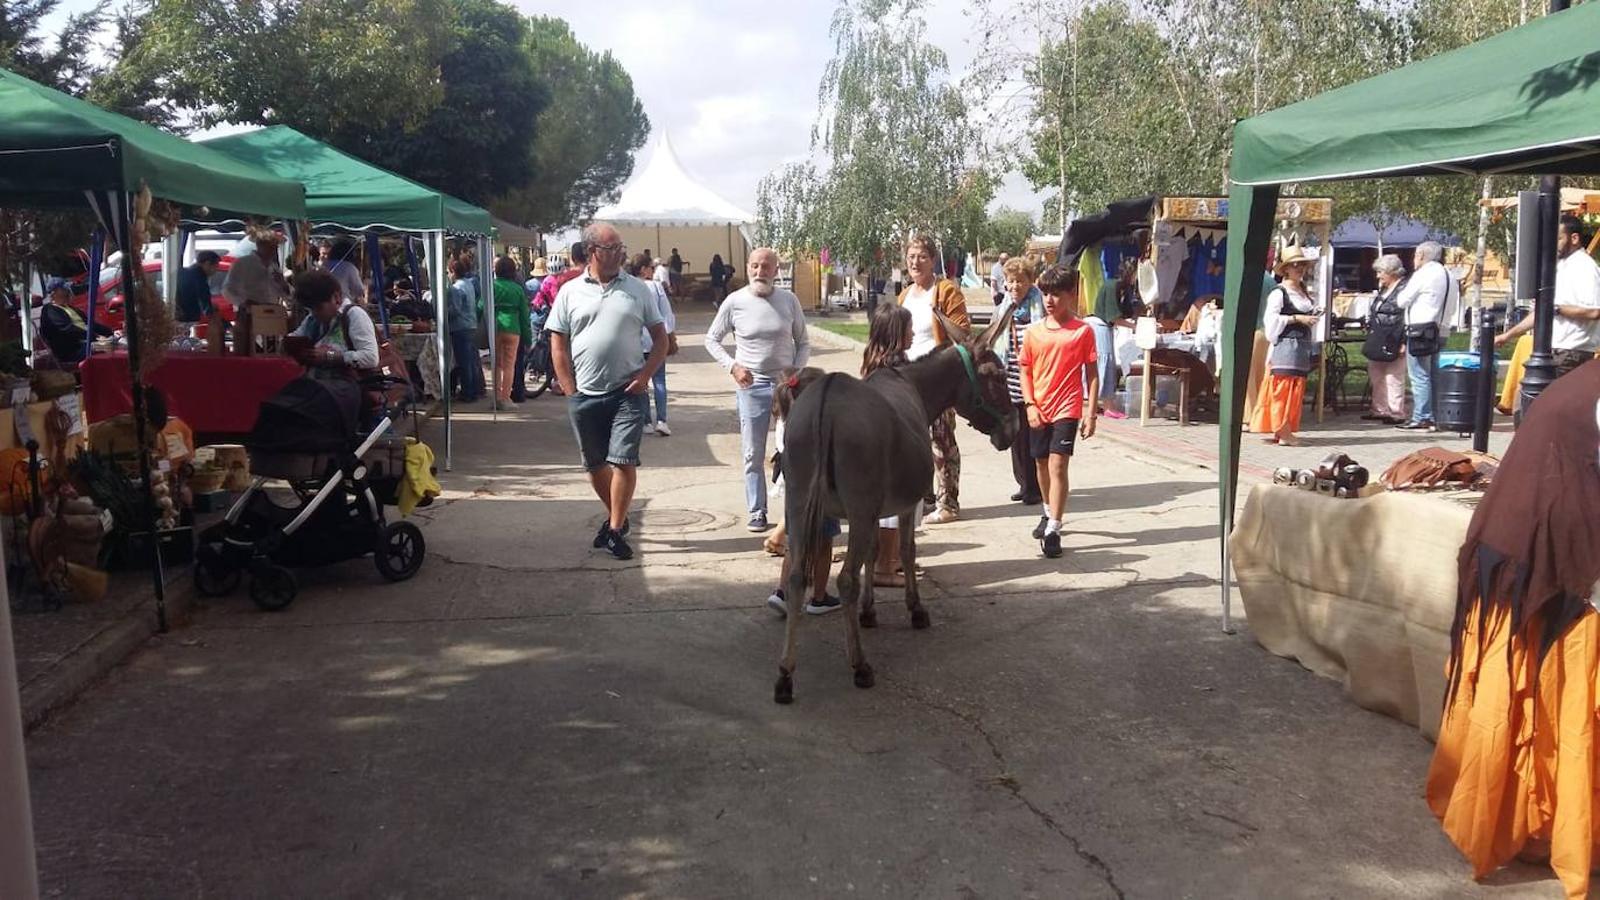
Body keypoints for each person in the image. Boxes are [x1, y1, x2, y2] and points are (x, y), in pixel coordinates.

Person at [1425, 360, 1600, 898]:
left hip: (1529, 553)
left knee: (1535, 705)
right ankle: (1548, 826)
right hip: (1546, 564)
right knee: (1551, 708)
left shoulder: (1586, 378)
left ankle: (1540, 823)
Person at [547, 223, 668, 561]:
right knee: (595, 464)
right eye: (611, 248)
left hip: (628, 391)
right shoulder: (570, 291)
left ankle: (614, 529)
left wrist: (645, 376)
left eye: (621, 248)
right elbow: (557, 340)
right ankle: (620, 515)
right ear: (591, 252)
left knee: (623, 460)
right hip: (584, 394)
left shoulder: (638, 289)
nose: (619, 254)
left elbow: (661, 339)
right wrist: (569, 388)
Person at [704, 246, 811, 532]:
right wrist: (733, 367)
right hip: (752, 387)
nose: (760, 272)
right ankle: (757, 511)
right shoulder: (734, 302)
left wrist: (795, 374)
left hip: (787, 388)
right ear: (747, 268)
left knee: (794, 449)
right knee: (752, 452)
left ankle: (794, 511)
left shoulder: (789, 301)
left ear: (776, 270)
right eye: (755, 266)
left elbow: (803, 342)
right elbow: (712, 340)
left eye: (766, 267)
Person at [1019, 266, 1098, 560]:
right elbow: (1025, 370)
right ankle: (1047, 510)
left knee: (1058, 466)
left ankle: (1054, 528)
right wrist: (1030, 405)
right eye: (1045, 293)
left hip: (1068, 408)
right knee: (1041, 465)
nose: (1049, 299)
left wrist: (1091, 412)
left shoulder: (1082, 332)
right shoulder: (1033, 332)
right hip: (1039, 408)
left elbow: (1091, 373)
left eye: (1056, 293)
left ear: (1071, 294)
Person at [898, 235, 970, 525]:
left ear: (932, 260)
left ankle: (948, 502)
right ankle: (925, 499)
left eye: (922, 257)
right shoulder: (904, 295)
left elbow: (962, 334)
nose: (915, 262)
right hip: (908, 378)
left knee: (942, 440)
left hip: (937, 380)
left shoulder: (946, 291)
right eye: (911, 257)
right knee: (914, 443)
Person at [765, 367, 842, 616]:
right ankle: (819, 597)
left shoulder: (786, 419)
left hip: (795, 492)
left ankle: (782, 592)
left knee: (795, 543)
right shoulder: (814, 424)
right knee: (823, 544)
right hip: (820, 492)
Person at [1495, 213, 1600, 380]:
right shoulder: (1563, 266)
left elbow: (1594, 312)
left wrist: (1557, 309)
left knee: (1538, 403)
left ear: (1574, 238)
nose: (1553, 245)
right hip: (1553, 350)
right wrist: (1507, 336)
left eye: (1558, 239)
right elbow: (1542, 312)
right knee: (1529, 400)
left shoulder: (1585, 267)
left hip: (1570, 353)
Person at [860, 303, 917, 587]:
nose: (914, 333)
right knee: (896, 510)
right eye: (909, 329)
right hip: (897, 447)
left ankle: (891, 560)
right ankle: (885, 566)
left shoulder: (873, 360)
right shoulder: (897, 368)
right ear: (897, 333)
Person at [1249, 244, 1318, 446]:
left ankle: (1285, 428)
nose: (1299, 269)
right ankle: (1281, 429)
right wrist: (1296, 318)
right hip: (1286, 346)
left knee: (1294, 389)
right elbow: (1271, 321)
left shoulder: (1303, 292)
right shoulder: (1279, 293)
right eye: (1295, 265)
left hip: (1301, 345)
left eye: (1302, 265)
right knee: (1282, 389)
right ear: (1286, 268)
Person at [996, 256, 1045, 506]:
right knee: (1015, 435)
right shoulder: (1005, 306)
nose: (1015, 286)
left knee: (1032, 435)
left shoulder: (1039, 306)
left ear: (1030, 282)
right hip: (1011, 376)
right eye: (1011, 281)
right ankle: (1023, 482)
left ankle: (1035, 487)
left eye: (1020, 281)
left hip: (1034, 379)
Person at [1394, 240, 1453, 431]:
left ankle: (1422, 416)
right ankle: (1436, 415)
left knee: (1419, 373)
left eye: (1415, 255)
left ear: (1421, 256)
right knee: (1435, 374)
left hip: (1421, 329)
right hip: (1442, 328)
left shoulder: (1423, 274)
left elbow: (1402, 301)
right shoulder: (1449, 274)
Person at [287, 269, 379, 378]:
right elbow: (296, 337)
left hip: (347, 386)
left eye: (319, 308)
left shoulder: (354, 315)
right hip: (317, 384)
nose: (315, 313)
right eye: (311, 309)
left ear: (336, 298)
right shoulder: (312, 319)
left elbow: (370, 358)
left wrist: (330, 356)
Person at [627, 253, 677, 435]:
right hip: (656, 341)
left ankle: (646, 421)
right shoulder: (655, 287)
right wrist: (669, 334)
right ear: (643, 269)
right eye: (650, 267)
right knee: (659, 381)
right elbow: (667, 314)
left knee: (641, 382)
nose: (652, 270)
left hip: (635, 342)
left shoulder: (628, 287)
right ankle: (662, 420)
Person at [221, 230, 289, 354]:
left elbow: (285, 295)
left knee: (270, 352)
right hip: (248, 314)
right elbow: (227, 289)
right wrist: (244, 302)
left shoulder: (274, 266)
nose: (274, 249)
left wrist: (283, 284)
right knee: (247, 352)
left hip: (271, 316)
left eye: (276, 246)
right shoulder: (243, 263)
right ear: (260, 245)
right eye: (271, 246)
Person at [536, 242, 588, 397]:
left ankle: (565, 385)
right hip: (588, 322)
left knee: (562, 352)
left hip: (567, 321)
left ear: (572, 258)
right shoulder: (594, 275)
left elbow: (557, 301)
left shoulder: (564, 278)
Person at [1362, 254, 1409, 424]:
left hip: (1395, 337)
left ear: (1392, 272)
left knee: (1394, 376)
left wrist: (1404, 341)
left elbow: (1407, 316)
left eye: (1381, 272)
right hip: (1380, 336)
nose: (1378, 276)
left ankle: (1396, 412)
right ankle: (1380, 409)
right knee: (1377, 374)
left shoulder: (1404, 289)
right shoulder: (1384, 289)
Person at [39, 279, 111, 363]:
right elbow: (68, 329)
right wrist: (95, 337)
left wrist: (110, 332)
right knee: (110, 347)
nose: (68, 291)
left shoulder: (70, 308)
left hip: (87, 342)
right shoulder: (49, 311)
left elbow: (90, 324)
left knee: (118, 342)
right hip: (73, 350)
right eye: (63, 289)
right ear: (53, 293)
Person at [490, 256, 530, 410]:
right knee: (509, 365)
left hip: (496, 326)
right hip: (513, 328)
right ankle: (505, 399)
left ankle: (495, 398)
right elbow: (525, 316)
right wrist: (528, 338)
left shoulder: (492, 286)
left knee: (496, 365)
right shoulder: (518, 289)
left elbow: (480, 305)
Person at [446, 257, 484, 403]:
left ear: (453, 272)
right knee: (470, 360)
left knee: (463, 362)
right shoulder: (469, 284)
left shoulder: (456, 288)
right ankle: (473, 390)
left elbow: (455, 310)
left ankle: (467, 392)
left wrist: (442, 311)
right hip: (471, 325)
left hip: (460, 327)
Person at [176, 251, 220, 326]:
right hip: (188, 319)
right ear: (207, 263)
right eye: (215, 266)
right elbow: (204, 301)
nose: (216, 270)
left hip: (177, 316)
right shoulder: (199, 277)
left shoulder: (184, 272)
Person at [321, 239, 366, 306]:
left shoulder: (323, 265)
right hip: (342, 305)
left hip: (323, 304)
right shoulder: (349, 267)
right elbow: (359, 290)